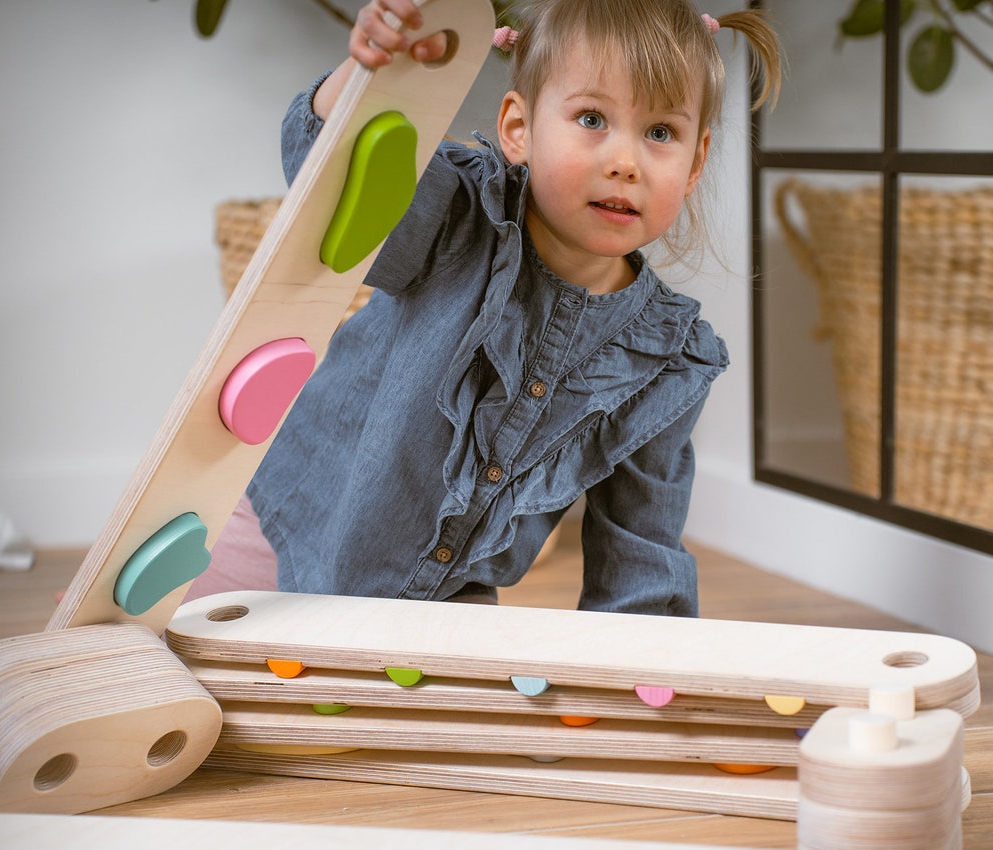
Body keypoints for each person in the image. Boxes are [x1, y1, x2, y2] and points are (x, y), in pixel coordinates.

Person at [188, 0, 782, 617]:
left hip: (439, 601)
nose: (625, 162)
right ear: (519, 128)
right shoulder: (459, 213)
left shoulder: (666, 359)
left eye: (661, 133)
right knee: (138, 652)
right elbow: (334, 187)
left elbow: (640, 552)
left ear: (696, 162)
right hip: (283, 524)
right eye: (591, 118)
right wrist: (365, 79)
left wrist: (637, 680)